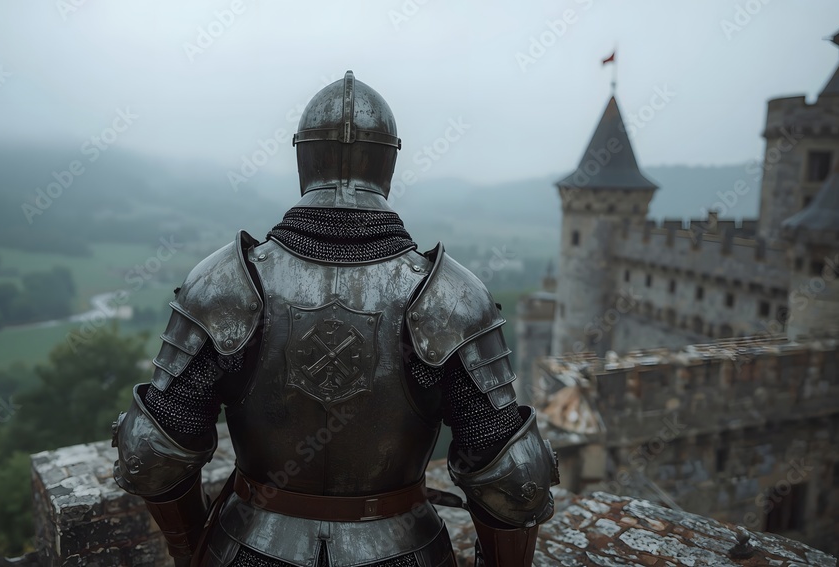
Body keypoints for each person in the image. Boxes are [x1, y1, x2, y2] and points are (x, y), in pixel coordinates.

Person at [112, 70, 559, 567]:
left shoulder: (227, 282)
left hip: (249, 547)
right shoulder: (449, 295)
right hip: (402, 552)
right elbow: (515, 479)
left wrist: (191, 548)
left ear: (303, 155)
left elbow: (151, 455)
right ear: (389, 161)